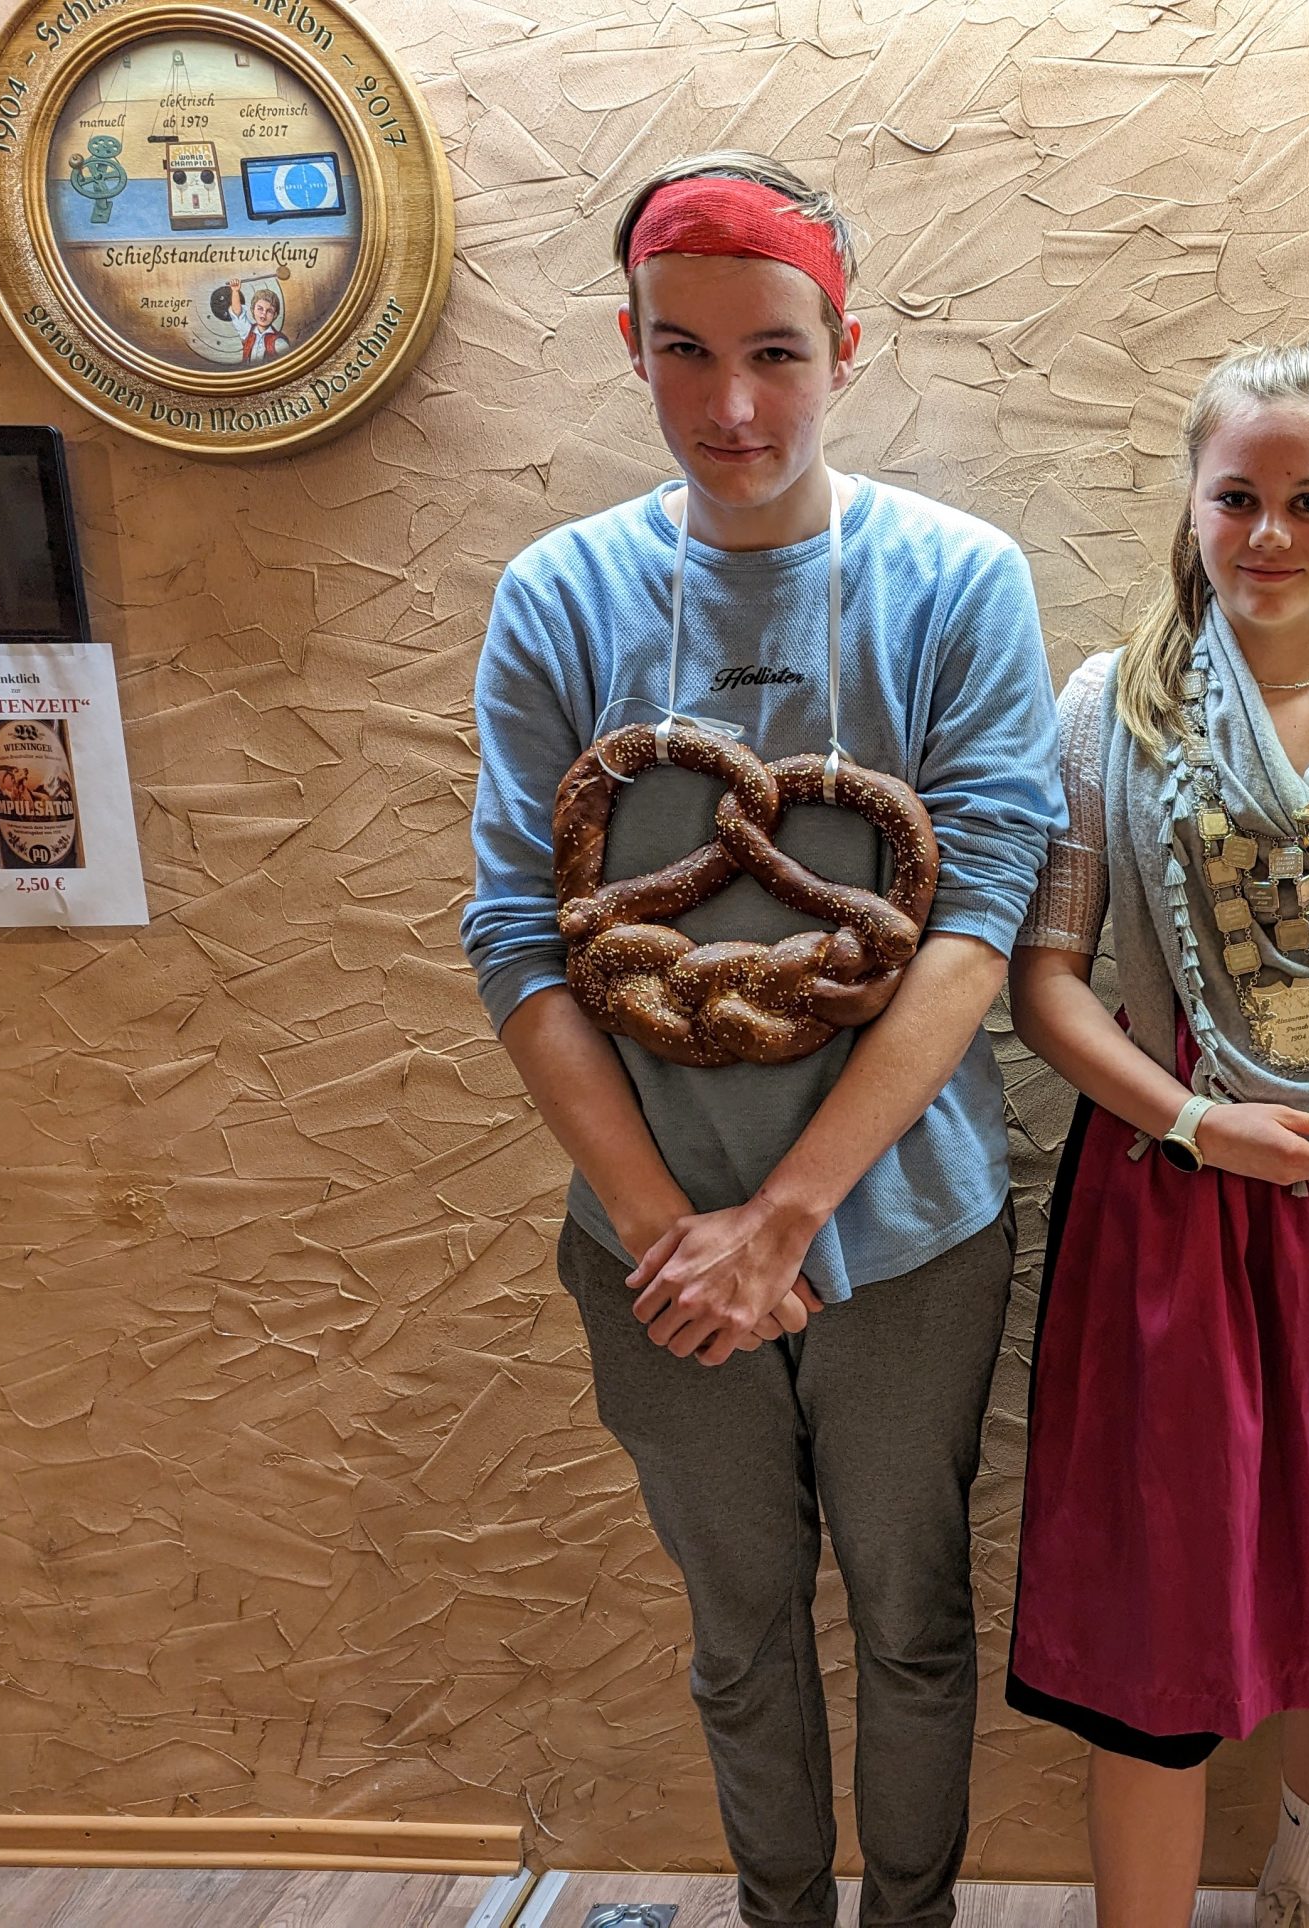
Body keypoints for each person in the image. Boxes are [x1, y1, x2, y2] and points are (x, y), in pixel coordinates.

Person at [460, 152, 1064, 1928]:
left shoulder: (955, 583)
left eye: (777, 354)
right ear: (629, 344)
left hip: (905, 1237)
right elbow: (518, 938)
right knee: (738, 1634)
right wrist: (675, 1235)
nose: (731, 405)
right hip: (649, 1246)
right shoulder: (558, 597)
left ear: (847, 348)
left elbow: (977, 920)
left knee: (914, 1621)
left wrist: (784, 1221)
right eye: (686, 351)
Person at [1003, 343, 1309, 1928]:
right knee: (1161, 1596)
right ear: (1192, 502)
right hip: (1176, 1189)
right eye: (1239, 497)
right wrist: (1196, 1121)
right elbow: (1046, 987)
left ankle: (1299, 1875)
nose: (1271, 533)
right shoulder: (1112, 704)